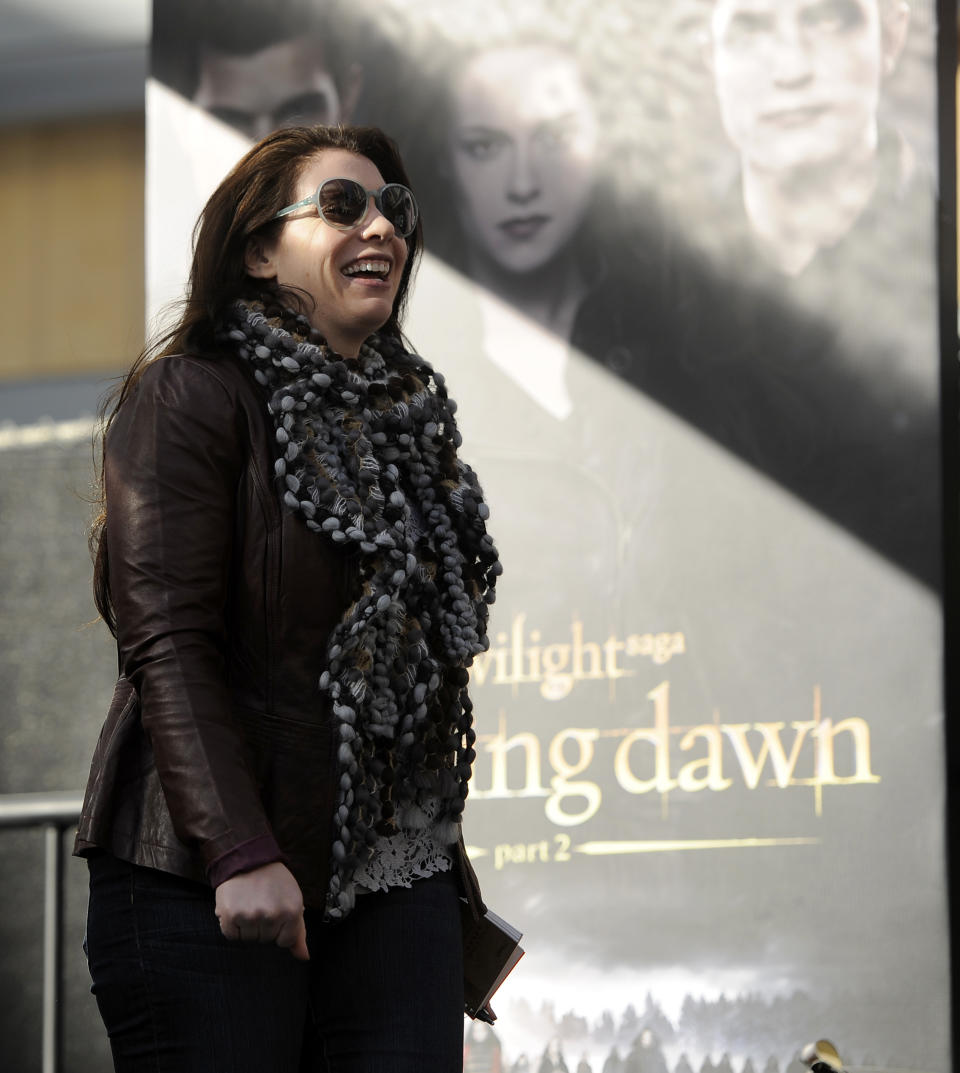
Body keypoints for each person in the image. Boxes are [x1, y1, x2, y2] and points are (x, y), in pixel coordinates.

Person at [74, 124, 500, 1072]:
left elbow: (414, 702)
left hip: (391, 886)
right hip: (206, 880)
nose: (381, 225)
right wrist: (238, 848)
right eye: (343, 205)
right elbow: (168, 641)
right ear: (260, 249)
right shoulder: (190, 397)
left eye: (395, 207)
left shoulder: (409, 439)